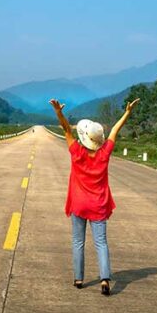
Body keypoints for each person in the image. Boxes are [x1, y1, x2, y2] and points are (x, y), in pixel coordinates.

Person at [49, 97, 140, 296]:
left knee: (78, 241)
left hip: (79, 204)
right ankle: (105, 279)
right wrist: (127, 112)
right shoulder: (104, 153)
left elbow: (67, 130)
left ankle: (78, 278)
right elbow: (115, 130)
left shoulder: (76, 152)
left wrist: (59, 112)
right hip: (98, 205)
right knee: (101, 243)